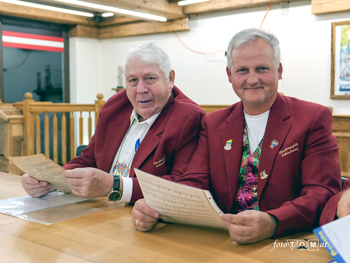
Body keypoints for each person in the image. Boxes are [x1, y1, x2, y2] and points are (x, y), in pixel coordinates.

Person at [132, 28, 342, 244]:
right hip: (224, 243)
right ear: (229, 75)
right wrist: (158, 204)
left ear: (279, 70)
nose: (252, 79)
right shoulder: (213, 123)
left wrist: (273, 222)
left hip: (286, 242)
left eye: (262, 69)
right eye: (242, 70)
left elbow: (323, 191)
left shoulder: (313, 118)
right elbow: (196, 181)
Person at [21, 42, 205, 204]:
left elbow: (181, 186)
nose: (141, 90)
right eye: (133, 80)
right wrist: (48, 181)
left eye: (150, 78)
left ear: (170, 78)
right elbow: (88, 159)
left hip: (144, 218)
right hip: (98, 210)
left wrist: (114, 186)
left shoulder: (188, 118)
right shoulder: (114, 107)